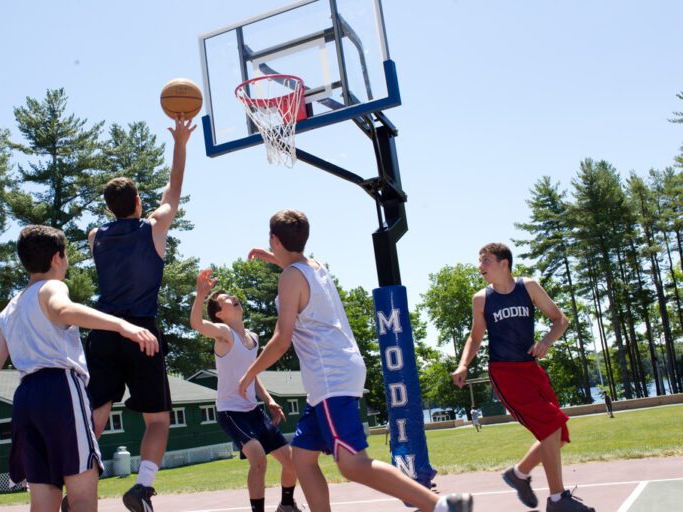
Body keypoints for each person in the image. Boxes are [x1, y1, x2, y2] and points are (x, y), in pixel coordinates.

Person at [239, 210, 473, 512]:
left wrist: (249, 373)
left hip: (330, 377)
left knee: (352, 463)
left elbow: (281, 339)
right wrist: (272, 256)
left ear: (274, 239)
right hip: (338, 372)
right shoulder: (315, 266)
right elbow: (295, 266)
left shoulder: (290, 278)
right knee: (302, 458)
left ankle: (440, 505)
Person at [0, 225, 159, 512]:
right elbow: (62, 310)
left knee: (43, 503)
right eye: (66, 255)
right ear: (57, 258)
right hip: (60, 389)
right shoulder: (52, 287)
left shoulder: (9, 310)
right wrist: (122, 325)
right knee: (82, 496)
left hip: (26, 400)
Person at [84, 116, 195, 512]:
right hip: (141, 331)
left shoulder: (95, 236)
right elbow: (174, 190)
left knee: (97, 410)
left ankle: (79, 480)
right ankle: (142, 487)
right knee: (158, 421)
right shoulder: (153, 228)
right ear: (137, 203)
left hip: (103, 332)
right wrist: (180, 142)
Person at [452, 243, 595, 512]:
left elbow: (560, 320)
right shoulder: (481, 298)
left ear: (504, 263)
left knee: (559, 435)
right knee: (551, 425)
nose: (480, 266)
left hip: (531, 369)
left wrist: (546, 342)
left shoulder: (527, 286)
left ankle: (519, 474)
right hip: (505, 373)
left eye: (486, 261)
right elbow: (475, 336)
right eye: (479, 261)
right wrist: (463, 365)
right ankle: (556, 499)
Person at [190, 269, 301, 512]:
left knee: (292, 461)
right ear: (220, 314)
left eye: (230, 295)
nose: (231, 297)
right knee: (258, 460)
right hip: (231, 412)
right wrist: (201, 295)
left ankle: (286, 505)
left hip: (253, 410)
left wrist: (269, 399)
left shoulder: (252, 337)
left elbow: (252, 374)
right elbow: (197, 324)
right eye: (224, 299)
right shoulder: (224, 335)